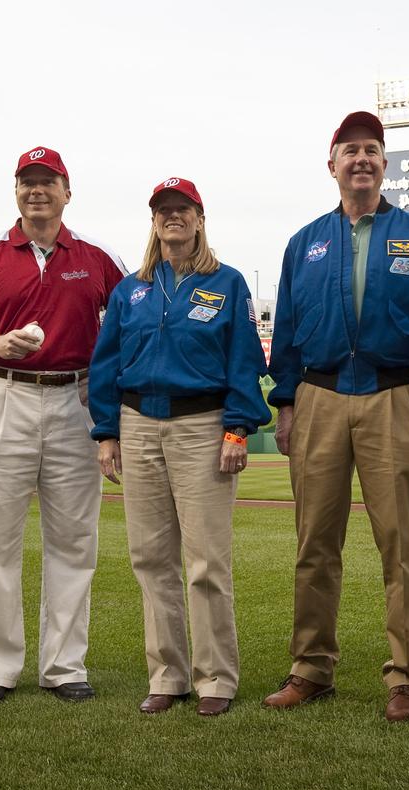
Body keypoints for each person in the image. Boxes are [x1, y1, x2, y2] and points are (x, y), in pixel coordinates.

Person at [264, 111, 409, 722]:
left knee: (402, 546)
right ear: (332, 165)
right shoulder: (305, 242)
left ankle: (406, 676)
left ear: (384, 163)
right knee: (314, 544)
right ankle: (311, 668)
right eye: (349, 150)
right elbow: (291, 335)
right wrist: (285, 406)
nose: (361, 159)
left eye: (371, 150)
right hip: (320, 398)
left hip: (392, 394)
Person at [0, 146, 128, 706]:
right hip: (0, 391)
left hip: (76, 396)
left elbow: (126, 327)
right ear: (15, 191)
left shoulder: (97, 257)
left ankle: (64, 666)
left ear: (68, 191)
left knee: (74, 539)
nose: (36, 190)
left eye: (48, 181)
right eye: (27, 181)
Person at [89, 177, 270, 717]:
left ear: (198, 218)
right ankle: (167, 674)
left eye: (182, 209)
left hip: (202, 424)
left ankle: (215, 676)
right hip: (138, 422)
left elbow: (244, 360)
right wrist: (106, 432)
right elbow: (106, 365)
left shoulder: (227, 282)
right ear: (154, 220)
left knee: (207, 561)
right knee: (150, 558)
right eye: (164, 210)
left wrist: (238, 428)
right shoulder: (131, 289)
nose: (173, 217)